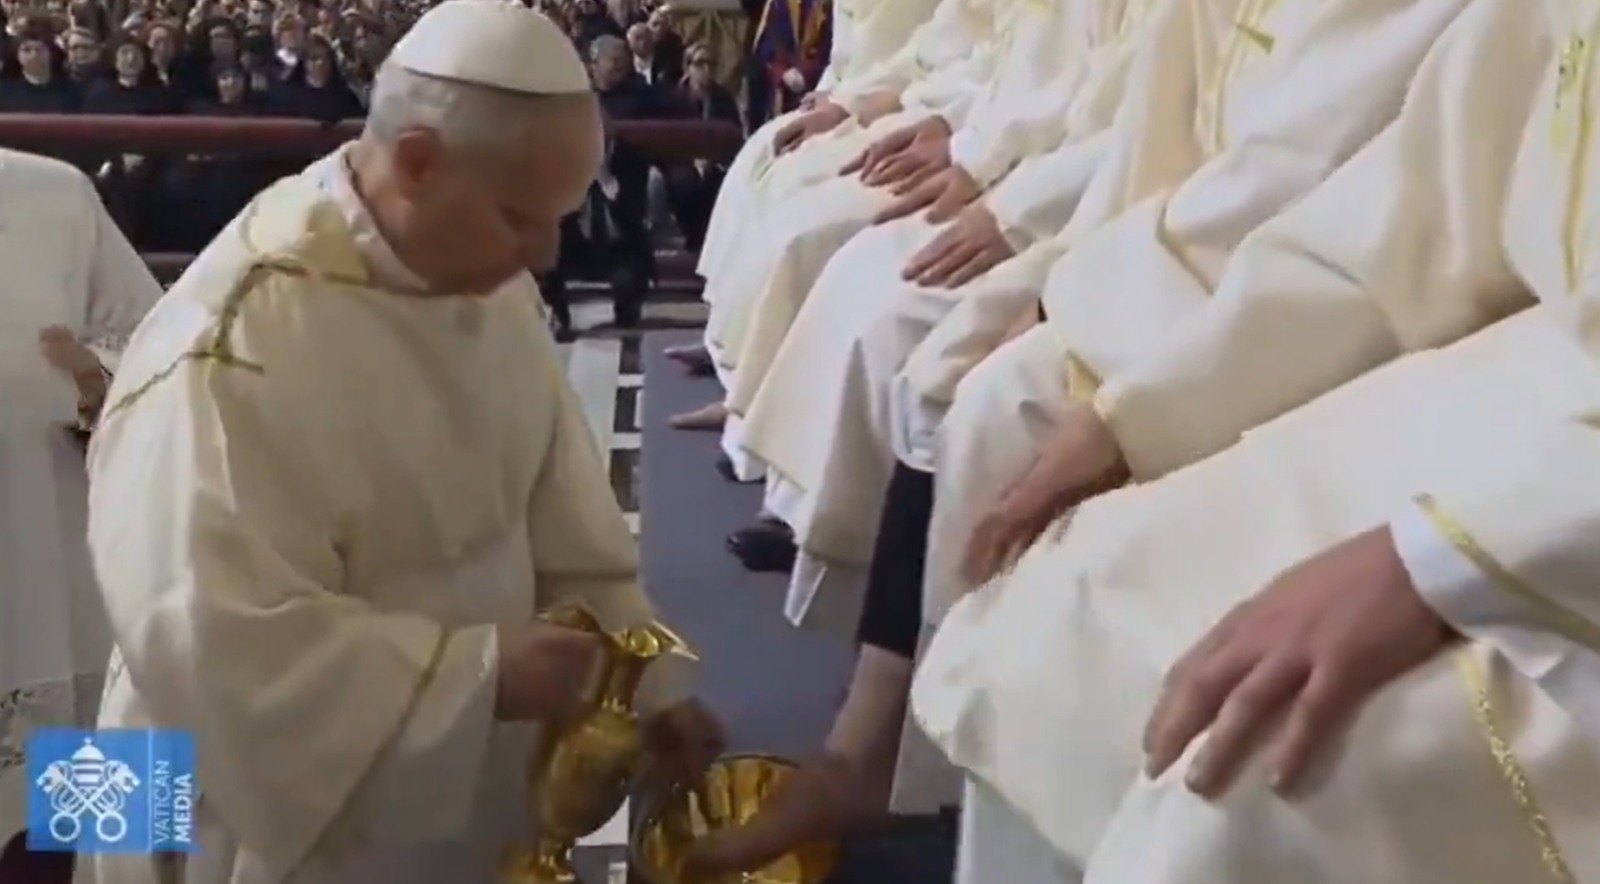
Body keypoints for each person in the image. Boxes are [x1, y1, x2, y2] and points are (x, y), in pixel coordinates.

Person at [911, 1, 1574, 880]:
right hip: (1529, 399)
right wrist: (1135, 417)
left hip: (1566, 516)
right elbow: (1397, 226)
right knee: (1064, 597)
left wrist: (1460, 556)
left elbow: (1294, 162)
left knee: (1256, 763)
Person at [78, 5, 724, 883]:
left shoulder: (469, 269)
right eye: (517, 217)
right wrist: (481, 674)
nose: (541, 256)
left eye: (558, 220)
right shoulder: (228, 343)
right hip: (236, 794)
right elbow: (204, 640)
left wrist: (650, 684)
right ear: (418, 162)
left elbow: (566, 520)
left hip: (441, 774)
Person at [0, 148, 163, 866]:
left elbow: (161, 346)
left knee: (112, 849)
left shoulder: (55, 193)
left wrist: (96, 381)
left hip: (63, 566)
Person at [671, 0, 952, 376]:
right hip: (874, 100)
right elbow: (852, 59)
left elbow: (923, 61)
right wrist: (832, 95)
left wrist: (850, 103)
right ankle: (728, 340)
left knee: (798, 209)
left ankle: (757, 377)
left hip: (911, 112)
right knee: (760, 157)